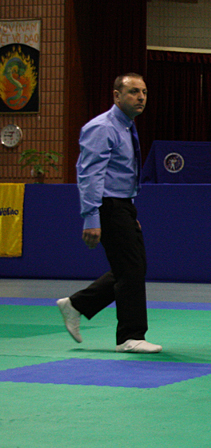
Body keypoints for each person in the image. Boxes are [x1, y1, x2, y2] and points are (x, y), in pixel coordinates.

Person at [57, 72, 162, 354]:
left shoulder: (127, 126)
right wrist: (92, 217)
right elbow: (89, 174)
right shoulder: (102, 127)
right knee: (130, 268)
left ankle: (78, 304)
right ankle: (130, 336)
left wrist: (128, 211)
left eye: (144, 91)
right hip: (106, 204)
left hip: (122, 205)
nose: (140, 97)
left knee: (132, 266)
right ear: (116, 96)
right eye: (133, 92)